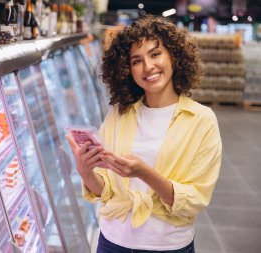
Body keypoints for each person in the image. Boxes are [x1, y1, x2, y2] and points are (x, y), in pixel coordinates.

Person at [66, 15, 222, 253]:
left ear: (174, 56)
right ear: (127, 69)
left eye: (155, 54)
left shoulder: (202, 121)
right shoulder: (119, 114)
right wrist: (85, 172)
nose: (148, 67)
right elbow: (104, 189)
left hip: (168, 245)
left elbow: (195, 199)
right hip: (112, 242)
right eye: (136, 60)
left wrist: (144, 173)